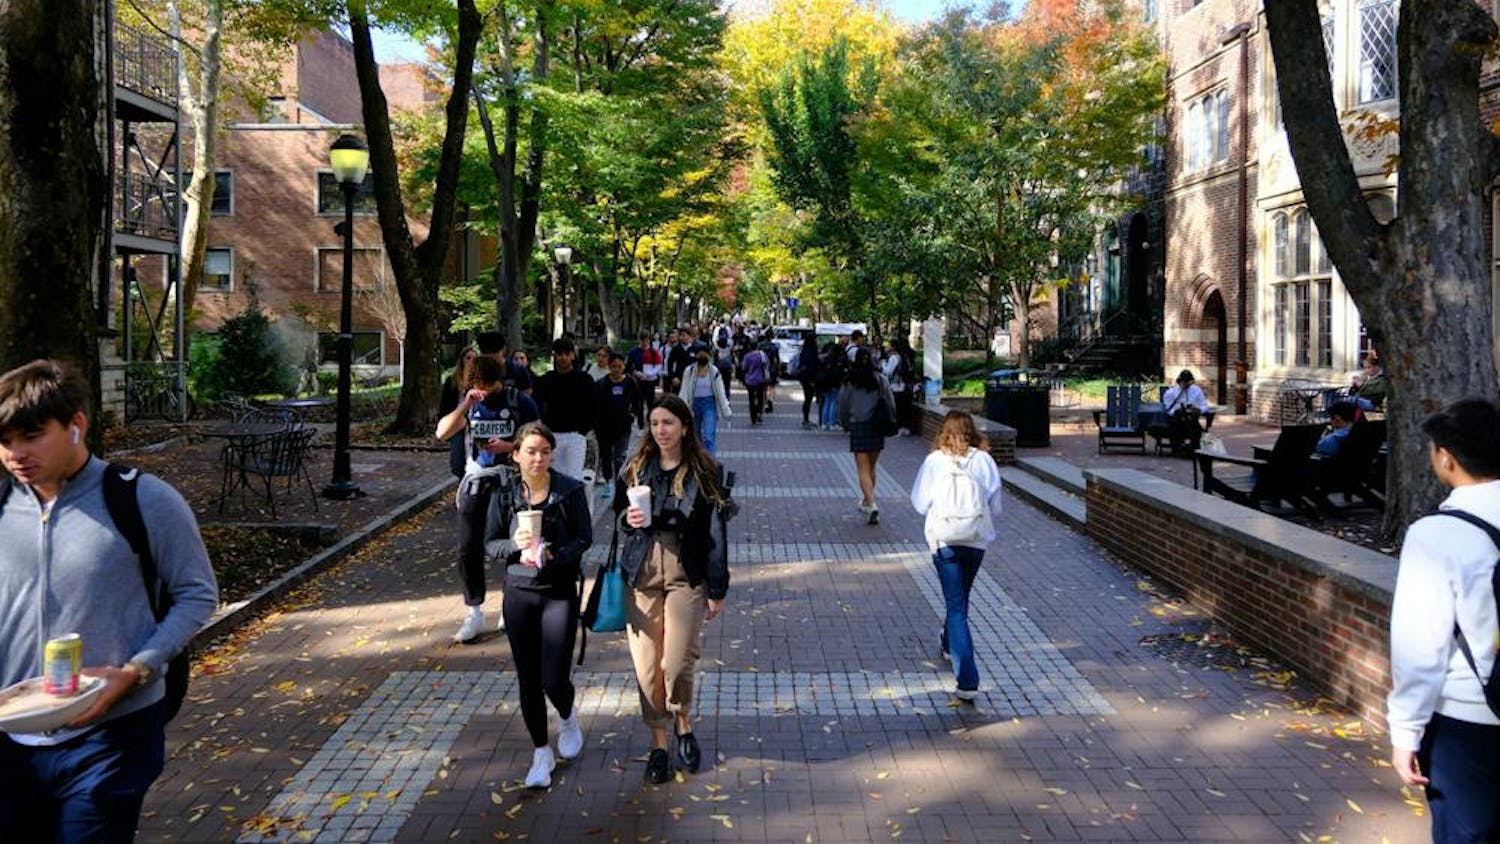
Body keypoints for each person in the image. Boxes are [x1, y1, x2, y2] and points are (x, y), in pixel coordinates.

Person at [0, 359, 219, 841]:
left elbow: (197, 593)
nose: (15, 453)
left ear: (76, 425)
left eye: (31, 435)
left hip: (110, 736)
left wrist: (138, 669)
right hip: (11, 737)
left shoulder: (142, 499)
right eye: (5, 441)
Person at [1387, 398, 1500, 842]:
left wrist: (1405, 732)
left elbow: (1420, 647)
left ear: (1446, 457)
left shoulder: (1437, 534)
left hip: (1470, 719)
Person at [613, 395, 734, 784]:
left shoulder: (704, 470)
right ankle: (660, 743)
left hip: (687, 574)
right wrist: (629, 519)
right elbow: (619, 517)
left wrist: (718, 586)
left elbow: (717, 531)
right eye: (655, 422)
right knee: (649, 669)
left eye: (668, 422)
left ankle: (683, 719)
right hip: (643, 574)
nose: (661, 430)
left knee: (678, 662)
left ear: (684, 426)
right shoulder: (635, 467)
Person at [484, 423, 593, 789]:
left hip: (559, 590)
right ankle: (540, 754)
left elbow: (584, 536)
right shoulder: (505, 492)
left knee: (553, 677)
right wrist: (514, 545)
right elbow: (489, 543)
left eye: (544, 451)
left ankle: (567, 714)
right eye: (530, 450)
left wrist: (556, 554)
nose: (537, 458)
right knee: (528, 678)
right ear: (515, 454)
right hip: (519, 591)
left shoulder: (569, 490)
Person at [436, 355, 540, 643]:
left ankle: (511, 603)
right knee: (468, 547)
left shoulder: (519, 401)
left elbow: (541, 439)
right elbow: (441, 433)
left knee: (515, 544)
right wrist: (466, 405)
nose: (484, 389)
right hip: (477, 478)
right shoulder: (470, 403)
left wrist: (511, 446)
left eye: (489, 384)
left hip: (512, 480)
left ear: (499, 380)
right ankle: (474, 612)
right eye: (478, 384)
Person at [909, 411, 1003, 701]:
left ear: (944, 432)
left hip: (945, 540)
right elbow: (995, 505)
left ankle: (968, 680)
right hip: (975, 541)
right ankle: (949, 643)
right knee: (960, 600)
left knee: (956, 606)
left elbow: (920, 503)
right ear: (971, 431)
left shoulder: (935, 461)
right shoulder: (984, 460)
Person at [838, 347, 897, 525]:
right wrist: (892, 419)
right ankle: (867, 500)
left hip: (858, 425)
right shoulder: (880, 380)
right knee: (872, 467)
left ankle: (871, 504)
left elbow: (843, 404)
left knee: (862, 469)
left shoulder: (849, 381)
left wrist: (844, 422)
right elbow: (890, 402)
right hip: (877, 425)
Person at [533, 338, 596, 483]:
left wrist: (585, 429)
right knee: (553, 476)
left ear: (572, 355)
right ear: (554, 355)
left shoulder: (584, 380)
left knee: (574, 477)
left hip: (576, 435)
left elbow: (593, 405)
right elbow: (537, 405)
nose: (563, 358)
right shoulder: (545, 381)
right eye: (559, 354)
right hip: (551, 434)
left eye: (567, 354)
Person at [595, 353, 641, 501]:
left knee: (620, 457)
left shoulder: (630, 382)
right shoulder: (602, 384)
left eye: (619, 366)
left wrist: (634, 415)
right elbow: (595, 405)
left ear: (624, 367)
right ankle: (608, 482)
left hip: (623, 427)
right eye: (613, 366)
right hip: (604, 428)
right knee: (606, 456)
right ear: (609, 367)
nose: (616, 369)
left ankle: (620, 484)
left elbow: (637, 401)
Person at [676, 346, 732, 455]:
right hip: (693, 404)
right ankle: (700, 461)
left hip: (709, 404)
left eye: (705, 354)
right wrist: (681, 409)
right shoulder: (689, 371)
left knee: (708, 436)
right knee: (696, 437)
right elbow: (684, 390)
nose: (702, 356)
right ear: (696, 356)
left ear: (709, 356)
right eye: (700, 354)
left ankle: (710, 464)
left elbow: (721, 392)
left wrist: (726, 410)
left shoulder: (714, 371)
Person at [439, 346, 478, 477]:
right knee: (457, 463)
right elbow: (445, 405)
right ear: (462, 360)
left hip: (474, 423)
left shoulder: (480, 381)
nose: (471, 361)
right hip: (457, 422)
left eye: (474, 358)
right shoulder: (452, 381)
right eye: (468, 358)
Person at [1159, 369, 1210, 454]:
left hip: (1191, 419)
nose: (1185, 384)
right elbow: (1168, 410)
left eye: (1187, 382)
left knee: (1197, 430)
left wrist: (1198, 409)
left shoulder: (1196, 391)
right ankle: (1177, 450)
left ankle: (1194, 450)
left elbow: (1204, 406)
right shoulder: (1171, 393)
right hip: (1177, 420)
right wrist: (1177, 410)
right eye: (1183, 382)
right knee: (1174, 428)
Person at [627, 332, 663, 427]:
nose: (644, 343)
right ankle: (640, 425)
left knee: (651, 403)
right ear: (639, 340)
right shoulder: (633, 352)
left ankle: (650, 422)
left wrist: (651, 374)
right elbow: (628, 367)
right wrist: (635, 372)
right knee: (639, 403)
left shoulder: (653, 352)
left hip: (650, 382)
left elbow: (658, 366)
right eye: (642, 340)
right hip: (637, 382)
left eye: (646, 340)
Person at [884, 337, 916, 436]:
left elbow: (888, 371)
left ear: (893, 347)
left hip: (895, 385)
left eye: (888, 345)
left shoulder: (894, 357)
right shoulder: (902, 356)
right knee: (901, 407)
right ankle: (904, 428)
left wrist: (883, 365)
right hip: (902, 385)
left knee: (896, 408)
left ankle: (898, 428)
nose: (886, 347)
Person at [817, 341, 847, 431]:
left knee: (827, 402)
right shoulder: (838, 360)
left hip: (825, 383)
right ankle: (832, 423)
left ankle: (824, 423)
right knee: (834, 402)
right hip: (835, 383)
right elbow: (839, 373)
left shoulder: (826, 358)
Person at [795, 336, 823, 429]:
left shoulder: (804, 350)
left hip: (804, 378)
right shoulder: (811, 351)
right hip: (809, 378)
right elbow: (812, 365)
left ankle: (806, 419)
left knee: (808, 398)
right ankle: (806, 419)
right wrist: (812, 379)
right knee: (809, 398)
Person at [740, 342, 770, 425]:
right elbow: (767, 365)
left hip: (750, 380)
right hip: (761, 380)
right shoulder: (762, 355)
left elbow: (744, 368)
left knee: (751, 398)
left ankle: (753, 416)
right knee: (760, 397)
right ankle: (759, 413)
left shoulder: (747, 356)